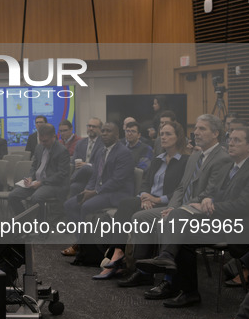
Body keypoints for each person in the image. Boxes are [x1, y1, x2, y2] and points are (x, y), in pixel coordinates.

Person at [136, 126, 249, 308]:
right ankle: (186, 289)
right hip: (222, 220)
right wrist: (208, 199)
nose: (230, 143)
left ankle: (167, 260)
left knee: (179, 220)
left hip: (241, 228)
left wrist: (211, 206)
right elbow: (220, 193)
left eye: (236, 140)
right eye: (230, 139)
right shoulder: (233, 166)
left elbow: (244, 205)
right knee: (180, 222)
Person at [130, 114, 231, 303]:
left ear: (216, 133)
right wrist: (173, 206)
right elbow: (181, 187)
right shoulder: (195, 156)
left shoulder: (222, 158)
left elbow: (209, 193)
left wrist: (178, 210)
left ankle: (169, 281)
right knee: (140, 217)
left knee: (168, 221)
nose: (197, 132)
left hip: (204, 214)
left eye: (202, 129)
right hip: (181, 208)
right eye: (196, 128)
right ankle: (143, 272)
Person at [102, 122, 189, 284]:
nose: (163, 137)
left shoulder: (185, 161)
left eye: (168, 134)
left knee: (138, 215)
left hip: (166, 203)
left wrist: (156, 200)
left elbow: (181, 189)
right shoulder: (158, 159)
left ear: (178, 138)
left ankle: (139, 268)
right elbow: (145, 183)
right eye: (162, 134)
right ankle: (119, 251)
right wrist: (144, 196)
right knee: (126, 203)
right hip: (149, 199)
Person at [61, 122, 134, 258]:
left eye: (109, 131)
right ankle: (81, 241)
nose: (104, 134)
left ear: (117, 135)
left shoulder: (124, 153)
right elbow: (95, 175)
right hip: (101, 191)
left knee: (86, 206)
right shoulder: (101, 151)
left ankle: (83, 247)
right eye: (103, 131)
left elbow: (117, 181)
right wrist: (88, 190)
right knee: (70, 204)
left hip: (117, 194)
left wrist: (94, 192)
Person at [8, 124, 70, 216]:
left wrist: (41, 182)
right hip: (36, 182)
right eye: (41, 140)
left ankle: (41, 225)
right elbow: (34, 166)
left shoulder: (62, 151)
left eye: (45, 141)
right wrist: (30, 177)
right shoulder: (39, 147)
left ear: (53, 137)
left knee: (37, 197)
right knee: (13, 195)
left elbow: (61, 174)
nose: (42, 143)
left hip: (54, 184)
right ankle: (25, 221)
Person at [69, 117, 104, 196]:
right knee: (74, 187)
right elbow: (73, 161)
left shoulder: (103, 143)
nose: (91, 128)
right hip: (82, 177)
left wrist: (87, 164)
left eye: (94, 127)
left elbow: (102, 164)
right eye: (89, 126)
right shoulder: (80, 143)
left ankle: (70, 180)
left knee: (86, 168)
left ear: (100, 129)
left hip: (96, 176)